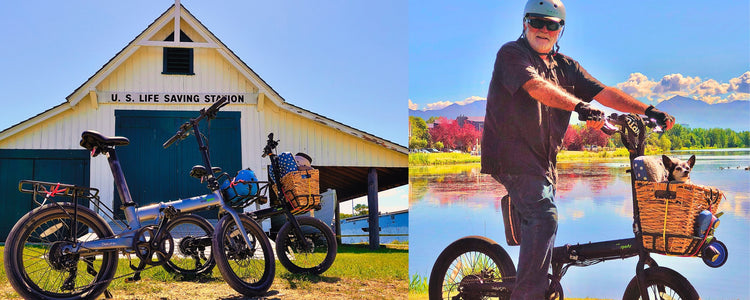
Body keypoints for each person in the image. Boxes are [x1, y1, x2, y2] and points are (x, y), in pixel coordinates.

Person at [480, 0, 675, 299]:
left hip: (544, 159)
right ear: (524, 23)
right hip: (511, 157)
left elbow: (605, 92)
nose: (544, 29)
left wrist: (649, 110)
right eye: (537, 22)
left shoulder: (566, 67)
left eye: (552, 24)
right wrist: (580, 107)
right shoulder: (512, 54)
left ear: (560, 29)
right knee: (544, 216)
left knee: (540, 223)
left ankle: (537, 280)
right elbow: (536, 88)